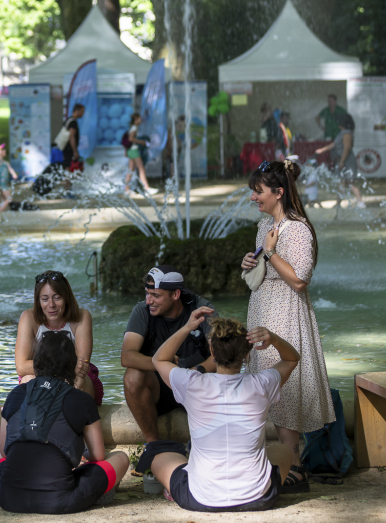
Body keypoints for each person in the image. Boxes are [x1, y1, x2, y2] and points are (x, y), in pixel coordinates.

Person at [240, 159, 334, 492]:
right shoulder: (265, 224)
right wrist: (252, 261)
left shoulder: (297, 228)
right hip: (264, 308)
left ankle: (295, 467)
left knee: (284, 390)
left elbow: (299, 280)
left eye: (259, 191)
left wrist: (269, 252)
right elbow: (264, 269)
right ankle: (286, 464)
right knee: (269, 389)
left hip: (286, 314)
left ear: (279, 193)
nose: (254, 197)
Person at [149, 312, 299, 513]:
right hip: (259, 498)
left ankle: (175, 488)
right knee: (285, 451)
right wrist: (273, 338)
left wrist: (186, 328)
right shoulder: (262, 384)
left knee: (158, 458)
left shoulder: (192, 383)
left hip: (200, 499)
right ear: (247, 354)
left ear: (212, 351)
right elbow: (292, 359)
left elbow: (159, 359)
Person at [0, 331, 129, 514]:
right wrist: (81, 454)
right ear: (72, 364)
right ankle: (100, 489)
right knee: (121, 457)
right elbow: (97, 455)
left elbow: (4, 451)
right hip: (59, 501)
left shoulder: (14, 394)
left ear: (36, 361)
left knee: (1, 460)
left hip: (7, 498)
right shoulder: (82, 399)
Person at [120, 266, 217, 445]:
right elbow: (127, 357)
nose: (149, 301)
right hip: (160, 386)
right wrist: (168, 367)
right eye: (147, 293)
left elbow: (220, 357)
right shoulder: (142, 311)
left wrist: (195, 371)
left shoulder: (201, 308)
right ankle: (154, 446)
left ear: (176, 294)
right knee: (132, 376)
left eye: (156, 295)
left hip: (196, 383)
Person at [15, 270, 101, 402]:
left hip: (74, 377)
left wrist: (48, 368)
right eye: (45, 299)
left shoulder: (83, 316)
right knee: (28, 380)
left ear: (66, 297)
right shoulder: (27, 317)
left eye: (57, 297)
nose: (51, 305)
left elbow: (81, 366)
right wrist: (61, 367)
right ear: (38, 301)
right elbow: (21, 366)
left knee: (76, 382)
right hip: (39, 375)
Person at [315, 112, 364, 208]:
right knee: (341, 183)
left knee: (350, 182)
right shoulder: (342, 133)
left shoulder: (347, 133)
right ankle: (338, 203)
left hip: (347, 161)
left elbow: (347, 147)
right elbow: (333, 145)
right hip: (342, 161)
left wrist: (342, 161)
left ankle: (360, 201)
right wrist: (322, 150)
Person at [123, 113, 152, 195]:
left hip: (130, 150)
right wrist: (141, 141)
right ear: (136, 119)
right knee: (141, 169)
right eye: (139, 118)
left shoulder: (132, 127)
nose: (141, 120)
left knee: (131, 170)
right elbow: (130, 139)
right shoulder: (134, 128)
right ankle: (146, 188)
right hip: (134, 150)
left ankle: (127, 189)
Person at [56, 103, 84, 170]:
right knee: (68, 167)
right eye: (82, 111)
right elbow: (72, 136)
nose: (83, 114)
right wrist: (75, 151)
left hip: (67, 149)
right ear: (77, 110)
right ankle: (66, 179)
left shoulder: (69, 120)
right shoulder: (73, 122)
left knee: (67, 166)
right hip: (69, 149)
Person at [0, 144, 18, 212]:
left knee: (3, 200)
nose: (4, 151)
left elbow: (10, 169)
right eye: (2, 150)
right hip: (2, 183)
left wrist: (13, 173)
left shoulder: (6, 163)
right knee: (9, 199)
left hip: (5, 183)